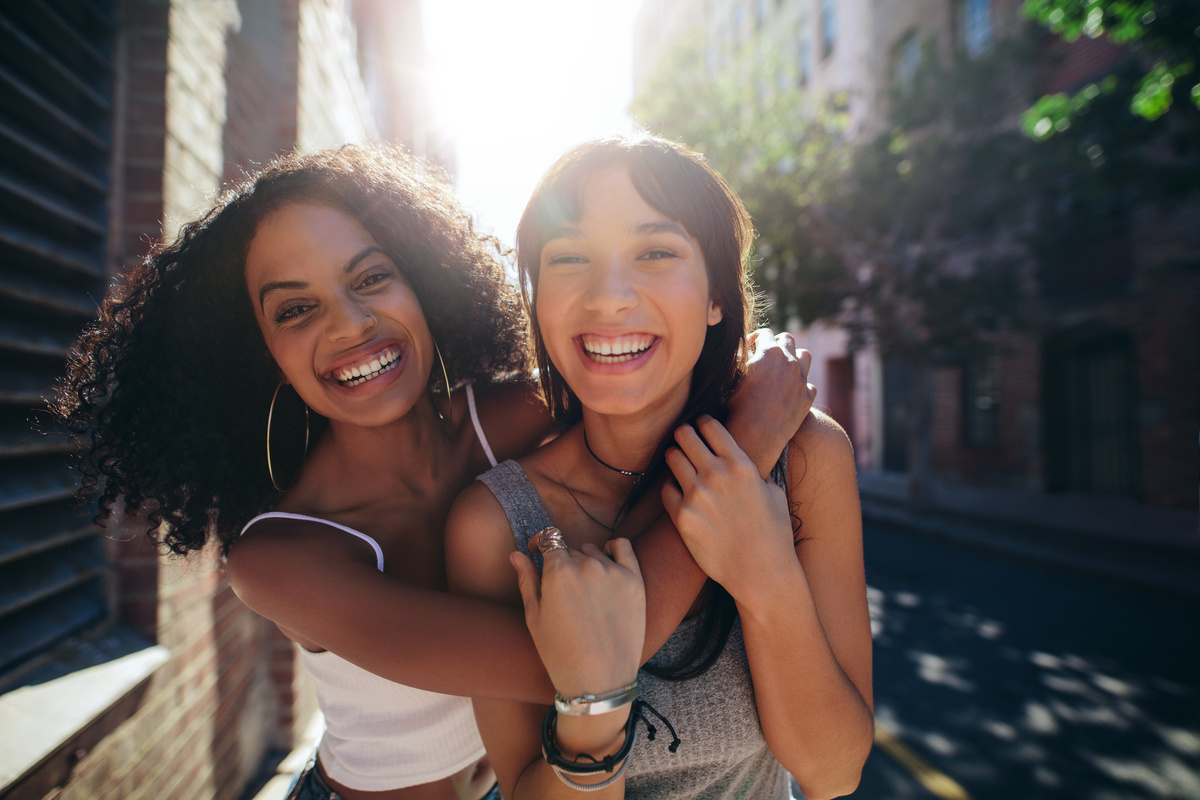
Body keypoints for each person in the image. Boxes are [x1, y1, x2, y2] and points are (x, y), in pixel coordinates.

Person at [53, 145, 814, 800]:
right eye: (295, 311)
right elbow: (587, 660)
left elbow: (651, 385)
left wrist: (745, 369)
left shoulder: (518, 417)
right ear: (260, 355)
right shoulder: (281, 560)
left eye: (373, 277)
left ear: (422, 281)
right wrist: (744, 444)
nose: (350, 324)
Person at [445, 133, 874, 800]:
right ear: (538, 303)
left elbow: (832, 770)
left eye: (655, 251)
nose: (609, 296)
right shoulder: (493, 523)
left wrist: (764, 573)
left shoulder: (807, 456)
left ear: (716, 299)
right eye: (569, 258)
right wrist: (592, 707)